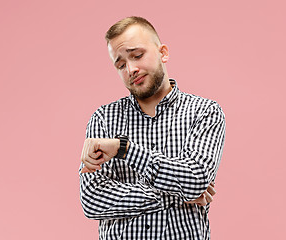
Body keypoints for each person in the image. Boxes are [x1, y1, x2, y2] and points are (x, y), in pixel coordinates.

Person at [79, 16, 226, 240]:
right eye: (120, 64)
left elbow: (196, 178)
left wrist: (124, 149)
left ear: (163, 53)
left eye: (137, 55)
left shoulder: (204, 112)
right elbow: (92, 200)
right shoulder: (103, 119)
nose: (130, 69)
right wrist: (175, 192)